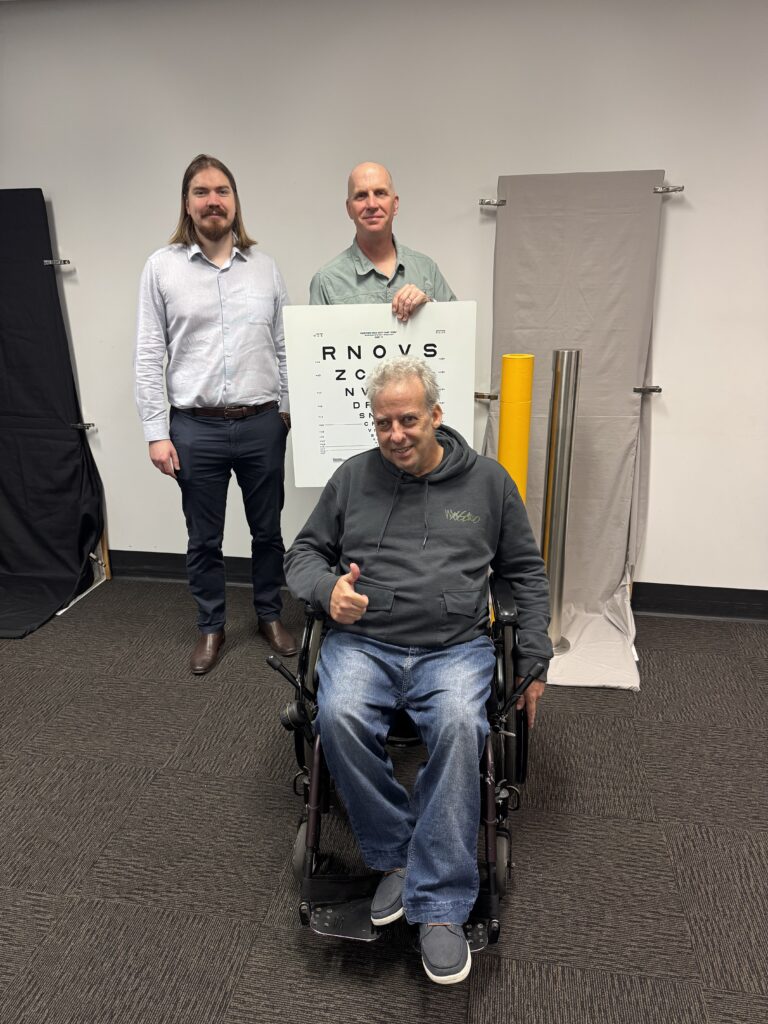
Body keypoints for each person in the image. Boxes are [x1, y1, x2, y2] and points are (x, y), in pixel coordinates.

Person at [284, 357, 552, 984]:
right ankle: (400, 858)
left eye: (409, 419)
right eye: (383, 423)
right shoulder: (352, 478)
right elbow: (302, 553)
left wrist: (533, 658)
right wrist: (328, 592)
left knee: (462, 725)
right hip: (365, 641)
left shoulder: (489, 483)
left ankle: (440, 906)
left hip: (453, 646)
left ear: (436, 415)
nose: (396, 434)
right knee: (338, 713)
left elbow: (525, 575)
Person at [135, 154, 297, 675]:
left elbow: (285, 345)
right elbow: (148, 353)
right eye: (201, 192)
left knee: (267, 530)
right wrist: (156, 433)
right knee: (203, 538)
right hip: (194, 428)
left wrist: (288, 411)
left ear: (234, 201)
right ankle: (211, 625)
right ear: (187, 202)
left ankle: (270, 614)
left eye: (221, 191)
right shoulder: (162, 267)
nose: (213, 201)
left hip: (260, 424)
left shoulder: (266, 268)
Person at [309, 162, 455, 320]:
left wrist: (429, 306)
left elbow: (458, 329)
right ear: (349, 208)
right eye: (361, 195)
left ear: (395, 204)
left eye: (380, 193)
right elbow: (316, 342)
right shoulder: (326, 280)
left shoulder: (427, 270)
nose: (371, 204)